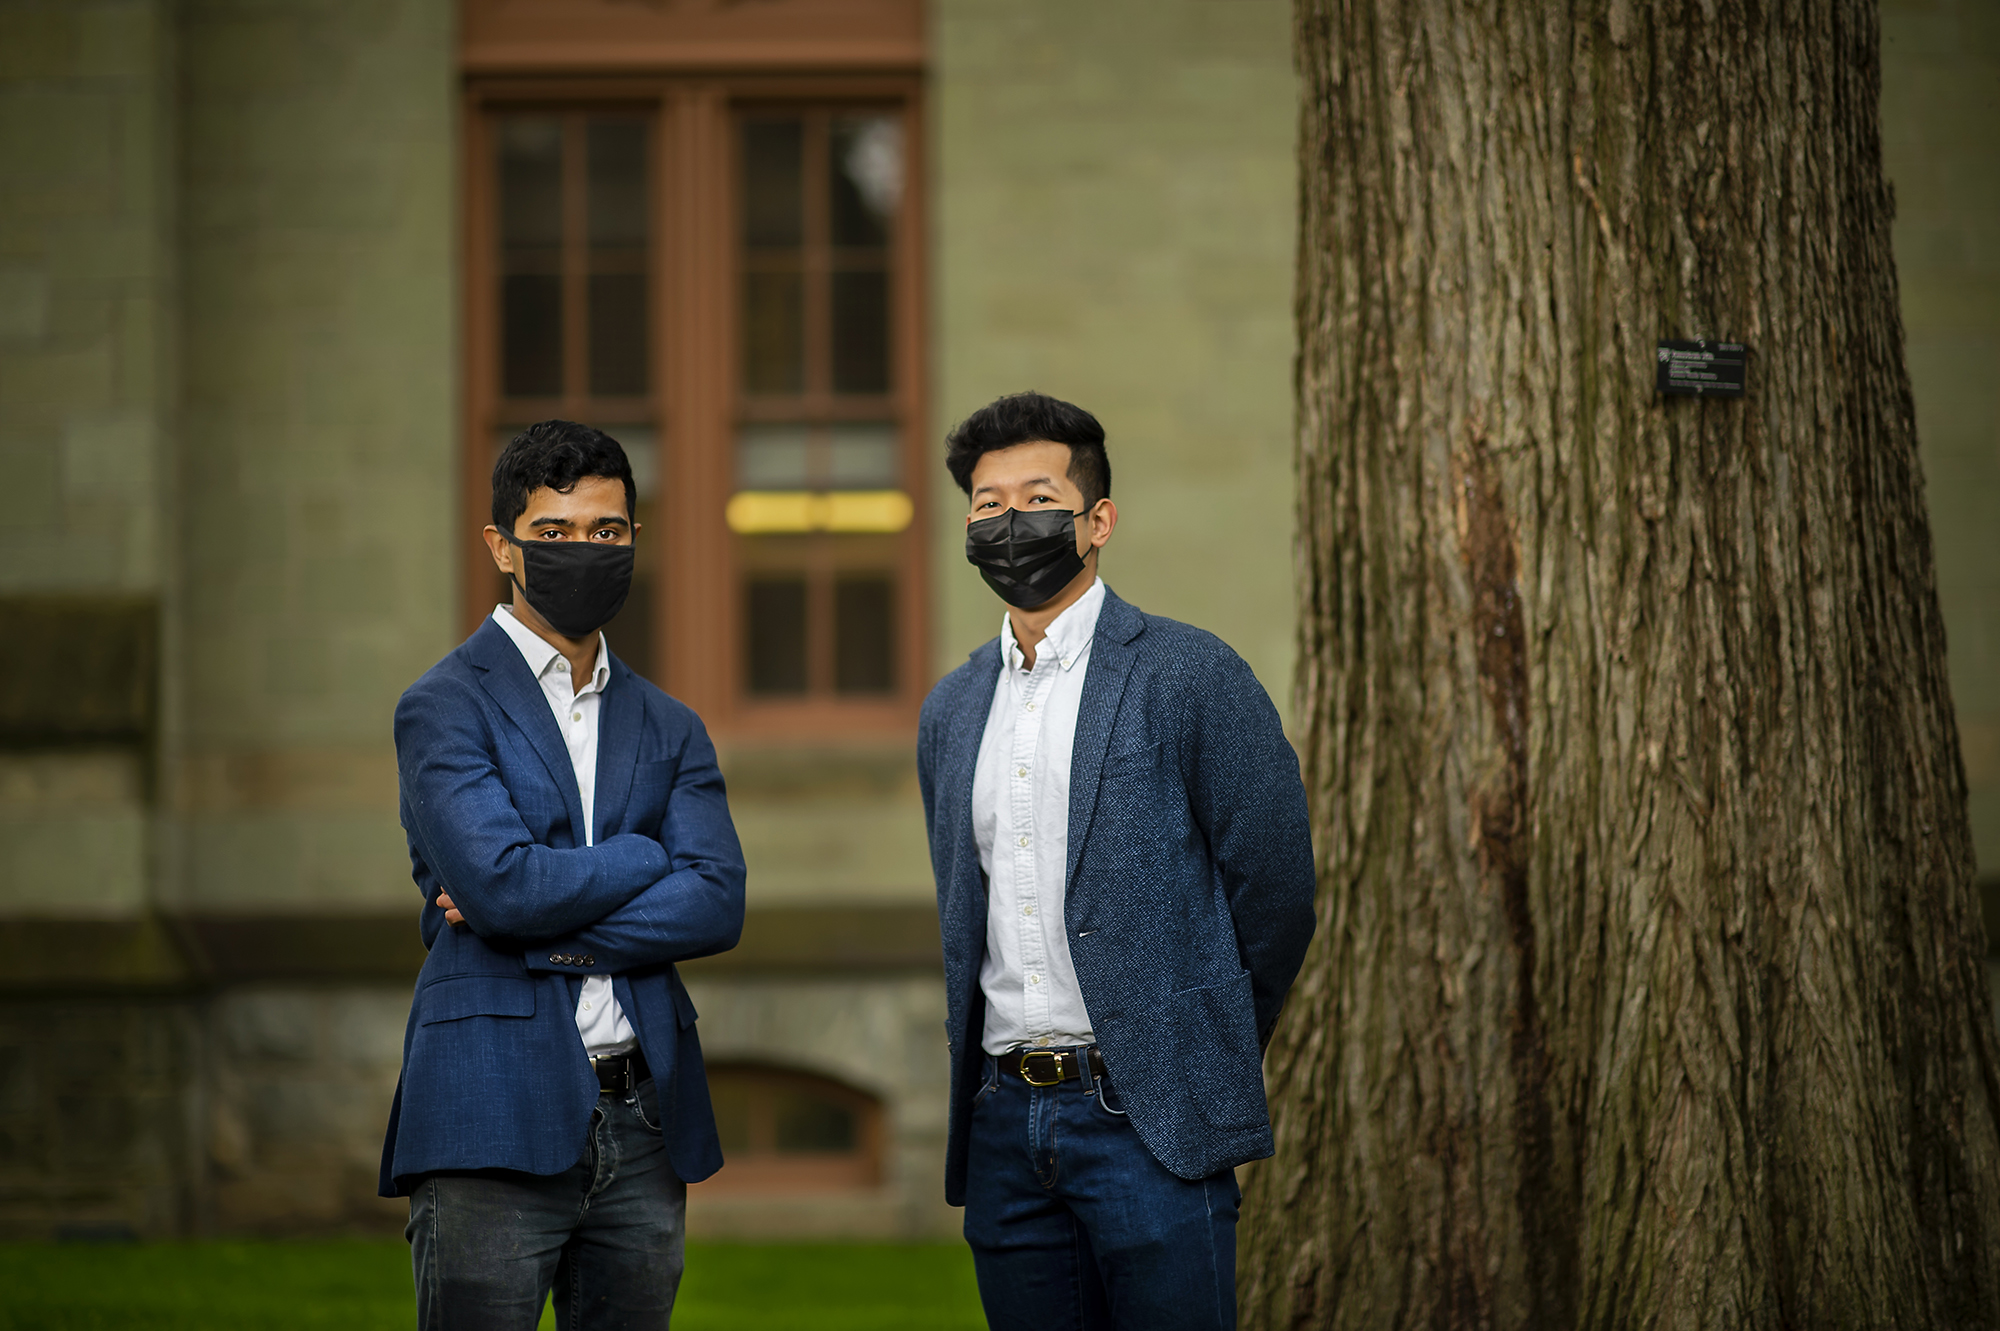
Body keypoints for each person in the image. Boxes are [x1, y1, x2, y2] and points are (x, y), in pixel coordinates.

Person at [916, 392, 1317, 1331]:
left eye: (1039, 497)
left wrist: (1195, 1040)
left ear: (1097, 521)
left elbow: (1277, 892)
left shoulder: (1190, 673)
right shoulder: (951, 708)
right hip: (1003, 1122)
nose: (1011, 522)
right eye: (986, 504)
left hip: (1149, 1118)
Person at [378, 420, 745, 1331]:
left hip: (643, 1117)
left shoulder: (671, 725)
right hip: (488, 1113)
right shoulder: (443, 707)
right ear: (502, 546)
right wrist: (645, 855)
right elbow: (501, 884)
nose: (585, 551)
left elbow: (717, 901)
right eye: (554, 533)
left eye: (608, 532)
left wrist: (529, 921)